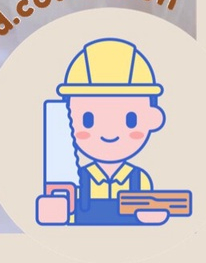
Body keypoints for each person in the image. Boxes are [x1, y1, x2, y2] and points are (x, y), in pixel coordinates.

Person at [35, 38, 170, 226]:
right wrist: (54, 214)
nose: (110, 130)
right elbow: (65, 218)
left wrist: (153, 217)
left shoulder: (139, 180)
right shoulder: (77, 180)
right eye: (88, 120)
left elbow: (151, 218)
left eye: (130, 119)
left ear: (153, 119)